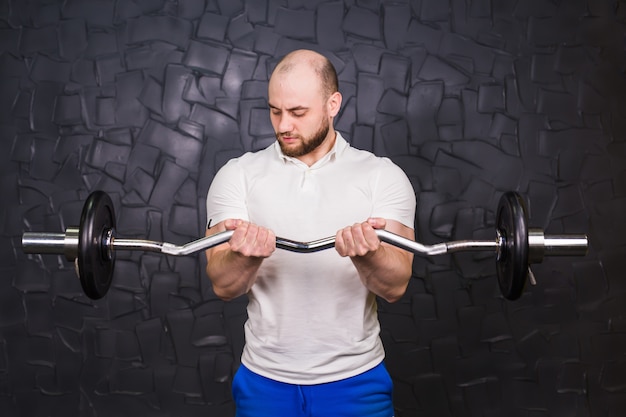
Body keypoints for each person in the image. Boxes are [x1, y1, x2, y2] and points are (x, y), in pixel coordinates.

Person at [204, 49, 416, 417]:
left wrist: (369, 255)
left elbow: (396, 286)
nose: (283, 125)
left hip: (355, 381)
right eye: (275, 111)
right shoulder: (237, 175)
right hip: (264, 381)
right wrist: (245, 255)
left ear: (333, 104)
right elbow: (223, 286)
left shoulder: (382, 176)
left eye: (298, 112)